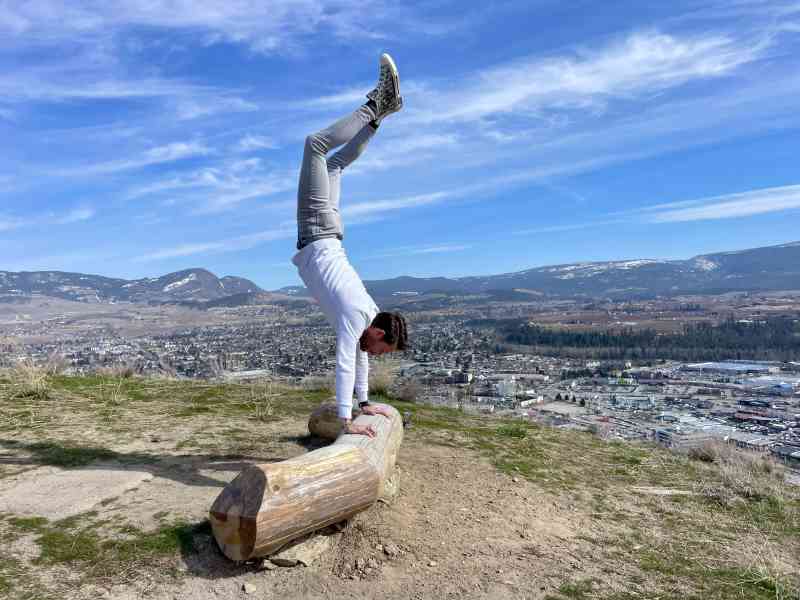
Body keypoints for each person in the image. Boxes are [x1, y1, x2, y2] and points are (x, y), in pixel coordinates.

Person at [292, 53, 409, 438]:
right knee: (316, 146)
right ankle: (377, 105)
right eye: (381, 351)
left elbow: (357, 360)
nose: (375, 356)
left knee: (333, 166)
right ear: (378, 332)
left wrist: (362, 404)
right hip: (318, 231)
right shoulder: (356, 316)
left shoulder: (368, 314)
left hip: (328, 233)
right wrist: (345, 421)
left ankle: (378, 117)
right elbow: (347, 362)